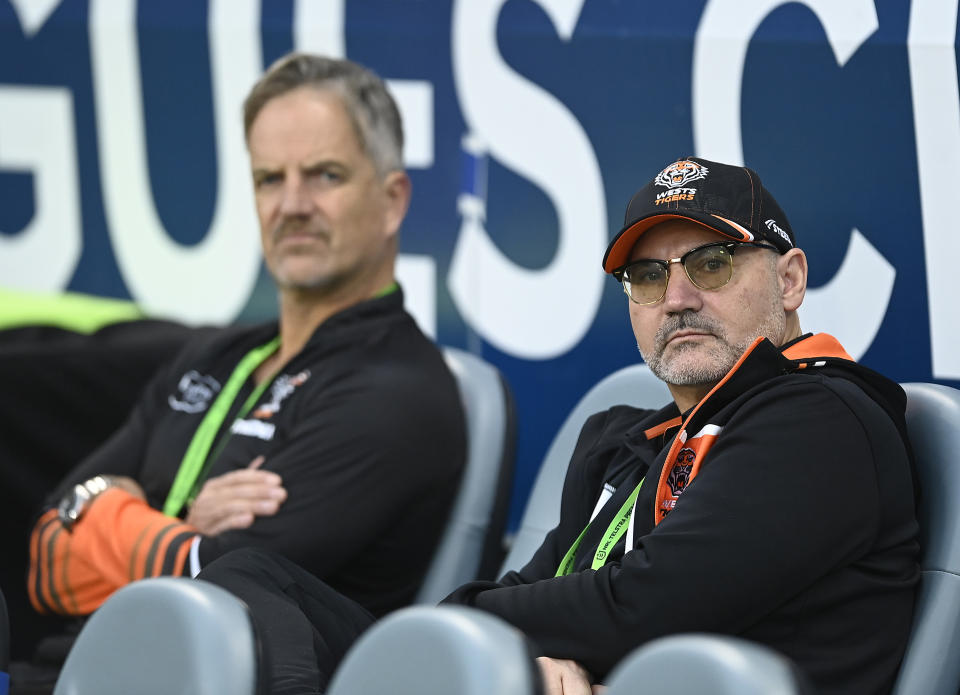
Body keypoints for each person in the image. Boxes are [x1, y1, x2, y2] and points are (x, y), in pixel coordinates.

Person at [198, 156, 919, 695]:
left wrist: (482, 624)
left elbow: (646, 601)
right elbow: (542, 589)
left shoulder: (823, 418)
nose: (677, 296)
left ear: (789, 279)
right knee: (247, 576)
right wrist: (529, 654)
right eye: (646, 277)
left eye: (713, 261)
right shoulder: (624, 441)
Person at [26, 53, 466, 627]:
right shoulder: (213, 356)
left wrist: (116, 511)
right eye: (269, 179)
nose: (292, 205)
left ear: (392, 201)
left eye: (324, 175)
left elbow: (217, 582)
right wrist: (180, 522)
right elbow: (45, 546)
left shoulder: (396, 390)